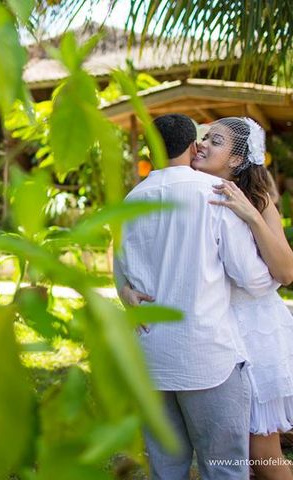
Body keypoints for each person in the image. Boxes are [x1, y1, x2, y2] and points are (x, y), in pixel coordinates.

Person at [114, 113, 276, 480]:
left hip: (151, 358)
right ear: (192, 147)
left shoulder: (130, 201)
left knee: (165, 467)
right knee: (224, 468)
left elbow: (122, 280)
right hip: (208, 357)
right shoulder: (214, 196)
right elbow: (253, 278)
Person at [193, 117, 293, 480]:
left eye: (215, 141)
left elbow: (285, 272)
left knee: (262, 456)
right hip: (215, 332)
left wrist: (251, 215)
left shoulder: (258, 200)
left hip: (254, 332)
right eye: (202, 138)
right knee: (233, 457)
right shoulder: (193, 192)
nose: (202, 144)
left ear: (237, 159)